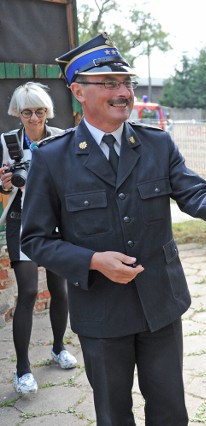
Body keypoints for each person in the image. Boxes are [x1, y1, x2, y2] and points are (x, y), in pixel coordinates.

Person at [20, 32, 206, 425]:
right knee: (114, 415)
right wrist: (93, 260)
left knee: (170, 412)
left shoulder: (156, 144)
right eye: (109, 84)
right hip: (101, 312)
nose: (123, 92)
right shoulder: (52, 159)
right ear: (78, 92)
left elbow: (192, 191)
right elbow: (34, 240)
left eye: (126, 83)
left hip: (160, 305)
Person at [1, 82, 78, 394]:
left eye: (40, 111)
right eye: (27, 112)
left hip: (56, 223)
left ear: (48, 111)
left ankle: (58, 348)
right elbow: (4, 191)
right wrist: (5, 184)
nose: (34, 118)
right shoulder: (6, 142)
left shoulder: (62, 138)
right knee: (29, 291)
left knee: (60, 289)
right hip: (22, 220)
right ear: (17, 113)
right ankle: (22, 369)